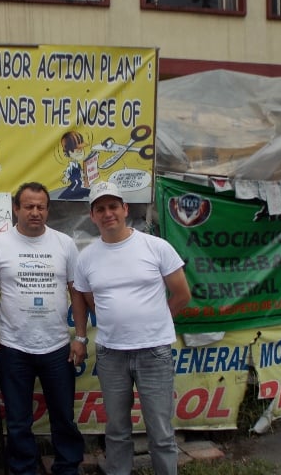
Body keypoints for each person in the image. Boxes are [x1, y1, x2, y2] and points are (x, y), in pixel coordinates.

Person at [73, 181, 192, 475]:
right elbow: (89, 301)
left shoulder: (156, 246)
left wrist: (157, 321)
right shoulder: (86, 257)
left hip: (154, 353)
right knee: (116, 430)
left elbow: (182, 294)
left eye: (113, 206)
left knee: (161, 431)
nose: (108, 213)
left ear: (125, 209)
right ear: (93, 216)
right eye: (100, 209)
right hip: (112, 355)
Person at [0, 181, 88, 475]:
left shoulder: (64, 244)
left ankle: (67, 468)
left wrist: (81, 337)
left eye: (41, 207)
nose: (35, 212)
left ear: (48, 210)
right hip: (13, 348)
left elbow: (76, 291)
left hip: (57, 348)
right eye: (28, 207)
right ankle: (23, 469)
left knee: (63, 416)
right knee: (18, 420)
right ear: (16, 209)